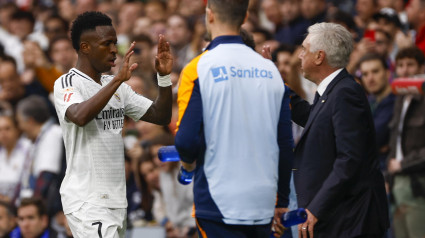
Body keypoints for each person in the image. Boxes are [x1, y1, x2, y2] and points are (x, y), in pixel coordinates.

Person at [174, 0, 294, 237]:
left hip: (218, 201)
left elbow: (186, 140)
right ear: (245, 16)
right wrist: (282, 201)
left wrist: (187, 167)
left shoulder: (199, 67)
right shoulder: (270, 70)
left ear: (209, 15)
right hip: (263, 200)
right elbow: (285, 143)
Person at [53, 11, 172, 238]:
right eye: (106, 44)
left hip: (116, 199)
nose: (113, 50)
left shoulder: (115, 85)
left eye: (115, 43)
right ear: (85, 47)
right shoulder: (67, 83)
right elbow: (79, 115)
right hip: (87, 200)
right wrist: (118, 80)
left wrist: (164, 78)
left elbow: (160, 116)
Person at [290, 22, 389, 238]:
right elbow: (314, 121)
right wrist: (275, 86)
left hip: (352, 219)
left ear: (319, 57)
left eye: (304, 49)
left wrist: (316, 207)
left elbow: (349, 159)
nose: (299, 55)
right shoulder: (333, 90)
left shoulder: (345, 93)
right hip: (342, 217)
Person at [387, 46, 425, 238]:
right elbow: (396, 138)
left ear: (422, 68)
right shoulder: (400, 99)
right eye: (400, 65)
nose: (404, 70)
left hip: (419, 183)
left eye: (410, 65)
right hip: (397, 183)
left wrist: (403, 164)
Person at [358, 53, 395, 173]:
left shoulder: (397, 101)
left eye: (375, 71)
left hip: (386, 171)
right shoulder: (367, 102)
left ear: (388, 73)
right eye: (365, 74)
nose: (370, 78)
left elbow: (373, 137)